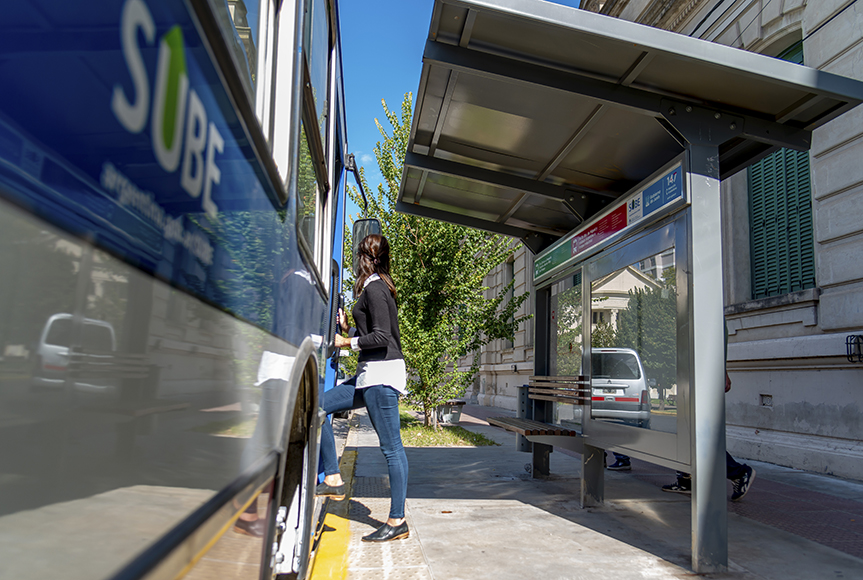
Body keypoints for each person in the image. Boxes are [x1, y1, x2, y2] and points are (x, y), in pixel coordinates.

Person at [316, 234, 410, 542]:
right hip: (369, 375)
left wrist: (348, 341)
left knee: (392, 448)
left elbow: (382, 337)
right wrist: (349, 328)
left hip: (381, 376)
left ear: (362, 258)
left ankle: (397, 521)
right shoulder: (374, 287)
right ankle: (332, 475)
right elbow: (373, 331)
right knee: (317, 406)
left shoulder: (376, 289)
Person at [662, 369, 755, 501]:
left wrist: (723, 373)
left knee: (699, 436)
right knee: (688, 432)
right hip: (690, 379)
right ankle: (686, 479)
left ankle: (738, 473)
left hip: (701, 378)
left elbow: (714, 349)